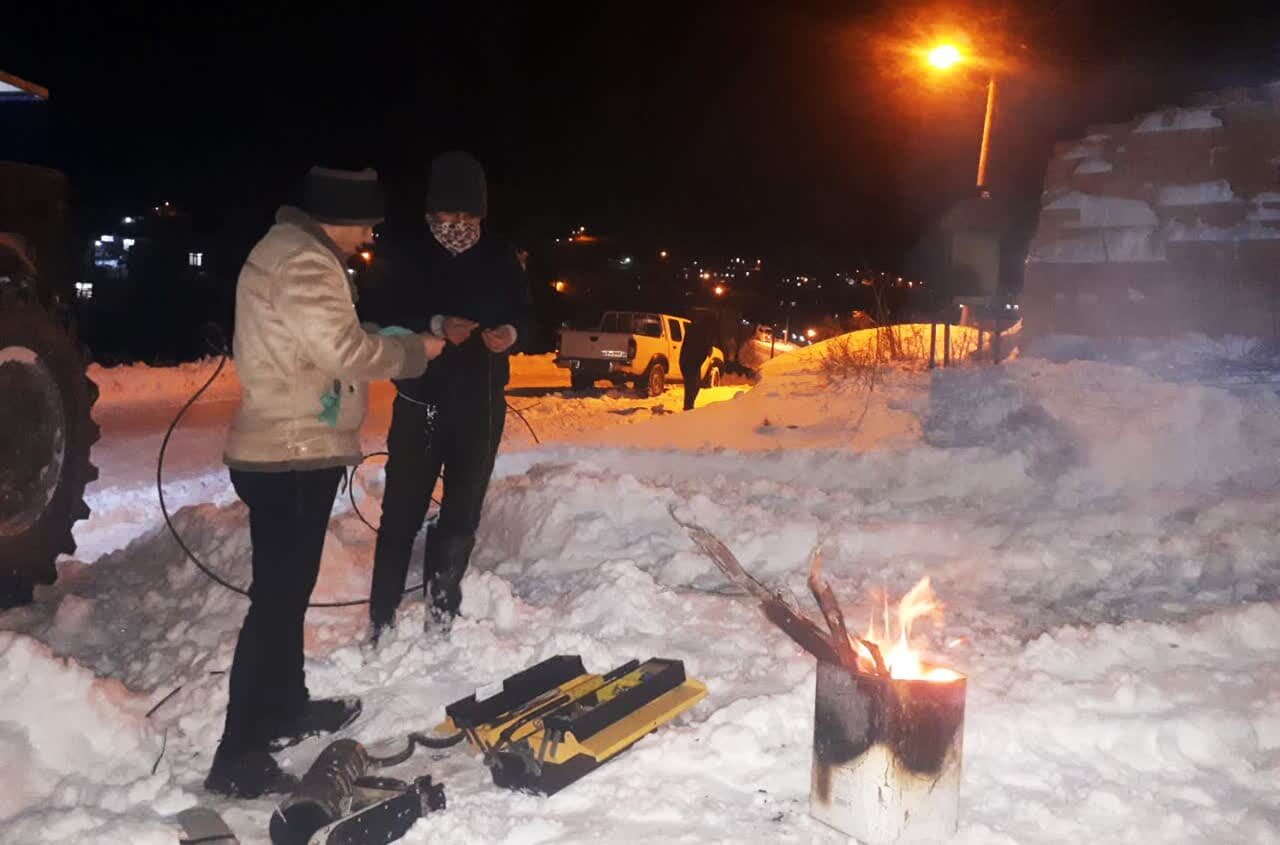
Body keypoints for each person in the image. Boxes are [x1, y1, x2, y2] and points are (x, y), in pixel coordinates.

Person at [207, 166, 445, 798]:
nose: (369, 232)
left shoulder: (293, 252)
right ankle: (238, 753)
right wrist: (412, 351)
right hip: (289, 455)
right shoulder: (308, 262)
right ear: (341, 216)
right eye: (367, 221)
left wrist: (381, 336)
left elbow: (323, 343)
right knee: (278, 601)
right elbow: (345, 355)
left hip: (292, 450)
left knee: (288, 593)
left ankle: (285, 708)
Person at [365, 151, 531, 641]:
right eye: (447, 217)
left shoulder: (500, 254)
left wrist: (511, 334)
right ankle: (382, 617)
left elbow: (527, 316)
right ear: (430, 213)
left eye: (467, 217)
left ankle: (442, 611)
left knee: (461, 515)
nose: (457, 226)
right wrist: (435, 325)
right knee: (400, 514)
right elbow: (376, 312)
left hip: (480, 406)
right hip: (420, 404)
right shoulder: (405, 252)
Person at [679, 311, 714, 411]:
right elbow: (698, 345)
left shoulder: (699, 330)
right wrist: (707, 348)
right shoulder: (697, 331)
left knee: (695, 385)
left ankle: (689, 406)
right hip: (689, 362)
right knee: (691, 385)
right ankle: (688, 408)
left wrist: (707, 347)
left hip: (692, 363)